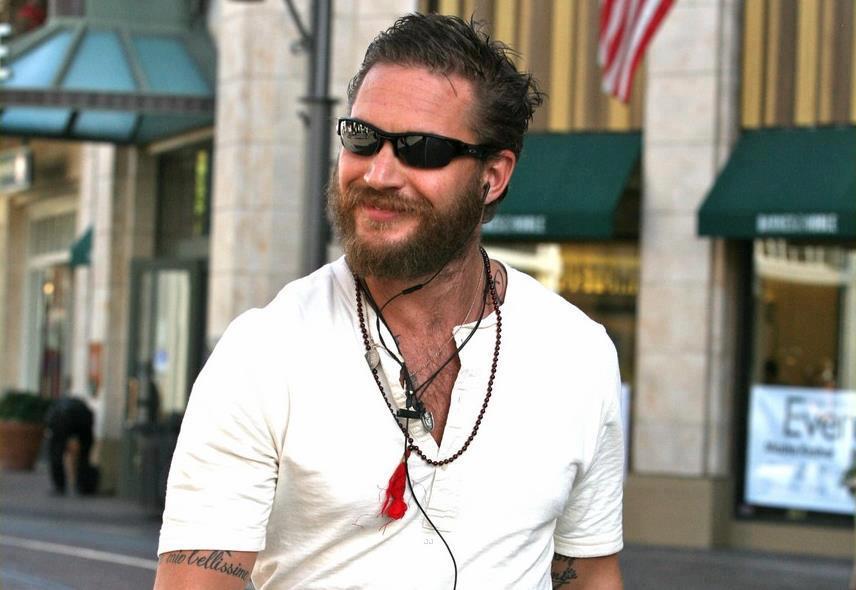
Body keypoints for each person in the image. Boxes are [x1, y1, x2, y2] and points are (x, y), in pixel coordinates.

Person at [154, 13, 624, 590]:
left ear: (494, 175)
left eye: (420, 149)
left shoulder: (577, 353)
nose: (378, 173)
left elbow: (589, 574)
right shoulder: (264, 352)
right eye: (361, 138)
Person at [45, 395, 98, 495]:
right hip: (83, 417)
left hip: (65, 418)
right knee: (84, 453)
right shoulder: (80, 408)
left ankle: (60, 485)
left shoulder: (55, 411)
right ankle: (83, 485)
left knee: (56, 453)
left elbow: (55, 442)